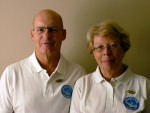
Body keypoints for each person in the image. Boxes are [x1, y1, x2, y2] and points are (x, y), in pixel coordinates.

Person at [0, 9, 86, 113]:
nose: (46, 36)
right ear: (32, 35)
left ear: (63, 34)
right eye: (40, 29)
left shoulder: (78, 74)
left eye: (53, 29)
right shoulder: (12, 74)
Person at [70, 20, 150, 113]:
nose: (106, 53)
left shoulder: (145, 86)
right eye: (100, 47)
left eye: (112, 46)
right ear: (93, 52)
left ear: (123, 49)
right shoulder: (82, 85)